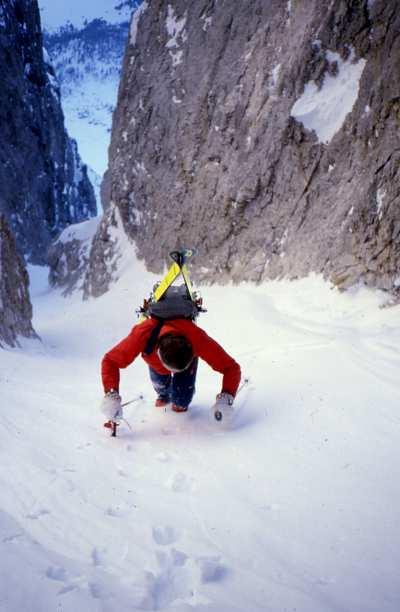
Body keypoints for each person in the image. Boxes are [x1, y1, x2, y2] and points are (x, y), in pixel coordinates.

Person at [100, 317, 241, 422]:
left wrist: (226, 397)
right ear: (158, 352)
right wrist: (111, 395)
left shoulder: (197, 338)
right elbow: (110, 361)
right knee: (161, 386)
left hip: (184, 363)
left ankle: (179, 399)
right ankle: (164, 394)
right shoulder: (144, 333)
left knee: (182, 400)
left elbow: (231, 368)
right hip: (157, 365)